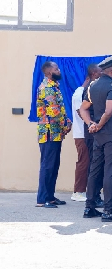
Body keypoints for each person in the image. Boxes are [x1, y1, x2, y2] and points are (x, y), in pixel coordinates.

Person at [79, 55, 112, 221]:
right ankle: (108, 210)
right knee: (110, 171)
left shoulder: (93, 85)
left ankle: (89, 207)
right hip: (110, 132)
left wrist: (90, 124)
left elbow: (83, 108)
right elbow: (109, 111)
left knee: (95, 169)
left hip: (97, 135)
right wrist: (98, 124)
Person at [35, 61, 72, 208]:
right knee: (47, 166)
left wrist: (66, 122)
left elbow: (60, 109)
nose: (59, 70)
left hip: (55, 132)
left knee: (54, 165)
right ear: (49, 72)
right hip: (49, 132)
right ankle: (42, 199)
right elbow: (54, 112)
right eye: (56, 69)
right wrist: (65, 125)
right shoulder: (48, 88)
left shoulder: (54, 86)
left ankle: (50, 197)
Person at [71, 63, 100, 202]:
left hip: (87, 133)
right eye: (100, 74)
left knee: (89, 162)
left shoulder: (87, 91)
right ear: (93, 75)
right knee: (84, 162)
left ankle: (87, 190)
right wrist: (93, 124)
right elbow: (81, 112)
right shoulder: (80, 93)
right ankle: (78, 191)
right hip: (82, 134)